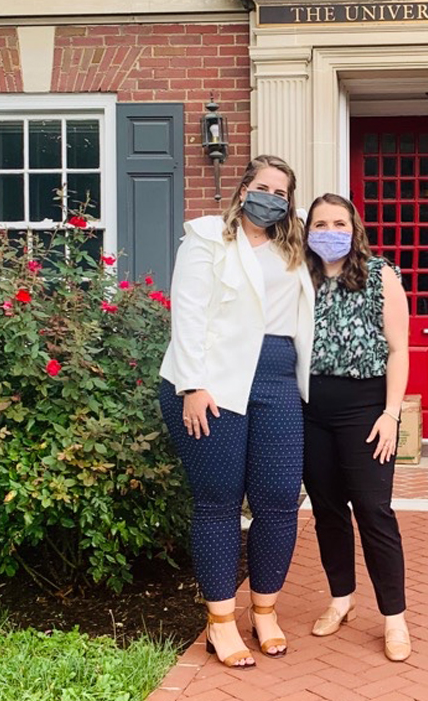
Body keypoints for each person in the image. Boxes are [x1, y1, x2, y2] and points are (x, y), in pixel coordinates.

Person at [159, 155, 314, 669]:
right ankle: (221, 623)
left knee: (277, 500)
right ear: (244, 188)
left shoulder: (294, 250)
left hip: (277, 379)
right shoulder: (207, 238)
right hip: (212, 382)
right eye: (263, 186)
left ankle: (264, 611)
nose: (272, 197)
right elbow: (189, 312)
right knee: (219, 501)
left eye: (282, 192)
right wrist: (193, 385)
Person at [302, 193, 412, 662]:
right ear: (307, 229)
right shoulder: (298, 277)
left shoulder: (379, 274)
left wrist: (391, 414)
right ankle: (341, 598)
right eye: (320, 222)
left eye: (339, 222)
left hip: (364, 407)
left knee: (373, 510)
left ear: (354, 228)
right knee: (326, 510)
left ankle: (394, 617)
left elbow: (399, 350)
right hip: (308, 408)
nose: (330, 230)